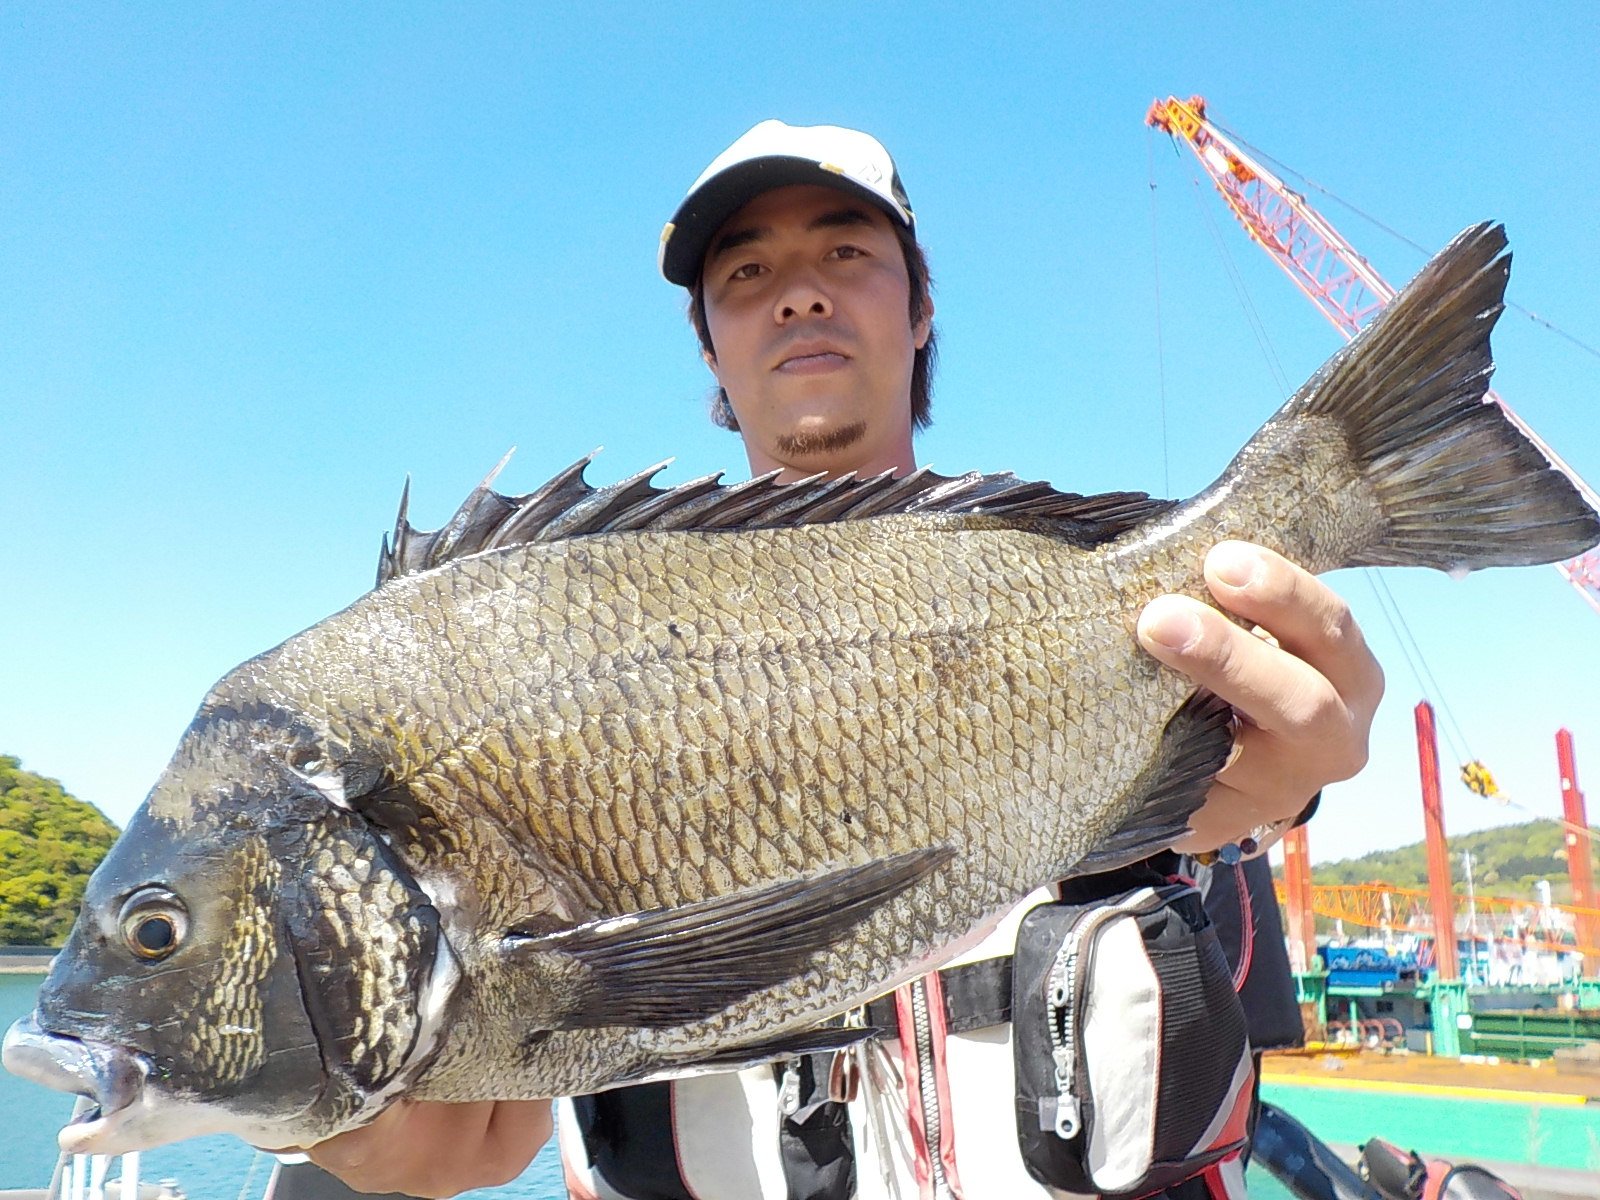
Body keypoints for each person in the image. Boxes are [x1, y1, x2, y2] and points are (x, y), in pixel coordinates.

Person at [302, 120, 1382, 1199]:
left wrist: (1279, 791)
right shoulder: (570, 671)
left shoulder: (1075, 613)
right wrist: (338, 1106)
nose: (799, 293)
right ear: (710, 351)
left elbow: (1220, 840)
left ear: (919, 312)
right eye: (747, 271)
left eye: (846, 252)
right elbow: (466, 1145)